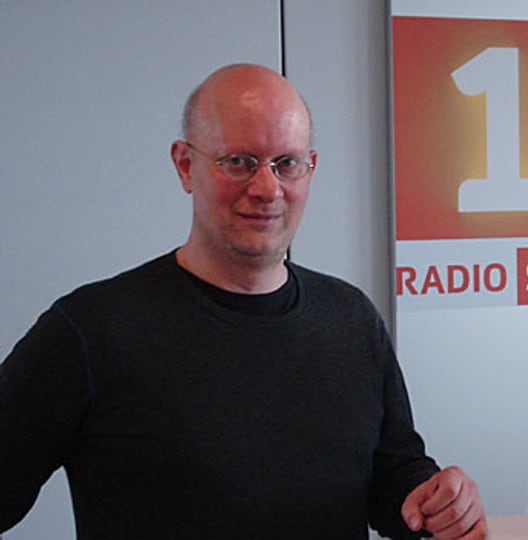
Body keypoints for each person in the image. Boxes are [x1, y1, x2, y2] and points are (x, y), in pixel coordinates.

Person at [0, 64, 486, 540]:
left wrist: (436, 500)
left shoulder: (350, 319)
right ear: (185, 165)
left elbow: (393, 481)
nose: (266, 188)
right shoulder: (91, 331)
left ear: (310, 169)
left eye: (286, 164)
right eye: (239, 161)